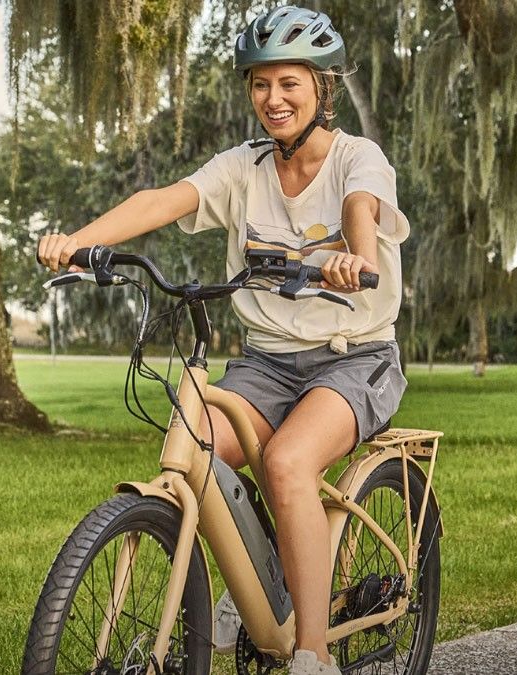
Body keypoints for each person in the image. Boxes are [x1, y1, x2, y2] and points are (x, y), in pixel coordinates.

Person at [36, 7, 409, 674]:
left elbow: (362, 208)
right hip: (266, 363)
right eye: (260, 84)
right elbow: (162, 199)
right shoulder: (245, 166)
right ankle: (255, 587)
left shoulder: (359, 158)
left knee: (289, 464)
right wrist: (83, 242)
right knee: (195, 447)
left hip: (354, 360)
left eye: (289, 83)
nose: (273, 99)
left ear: (322, 87)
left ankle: (312, 654)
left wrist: (354, 256)